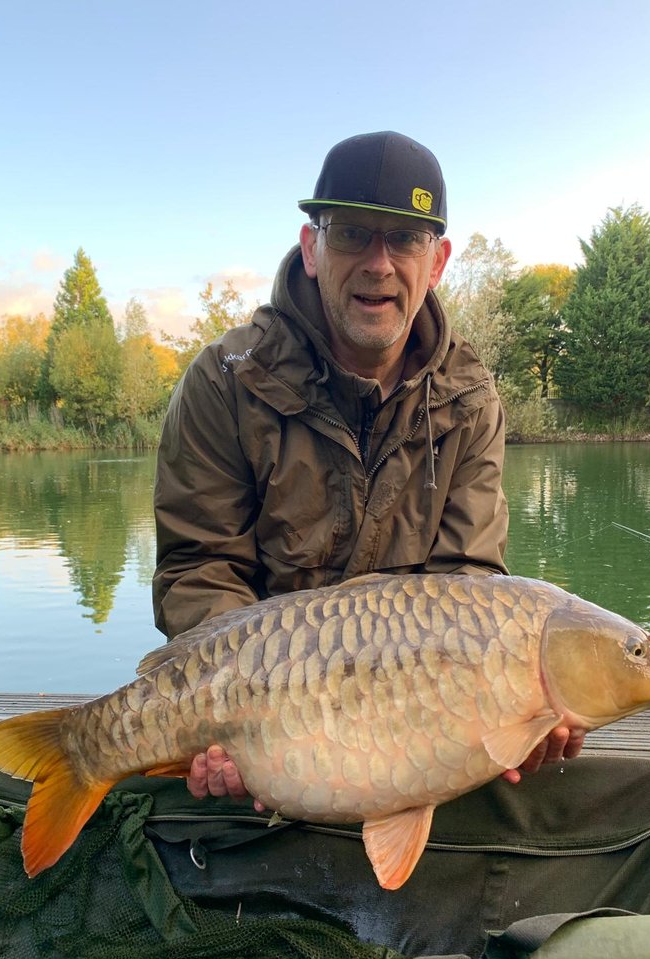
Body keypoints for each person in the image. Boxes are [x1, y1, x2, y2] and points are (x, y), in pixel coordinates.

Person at [152, 131, 583, 805]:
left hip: (409, 720)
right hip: (264, 710)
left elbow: (469, 592)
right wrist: (239, 712)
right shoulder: (225, 382)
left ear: (437, 261)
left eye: (405, 240)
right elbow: (201, 570)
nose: (379, 263)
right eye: (353, 233)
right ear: (312, 248)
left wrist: (518, 705)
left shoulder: (470, 399)